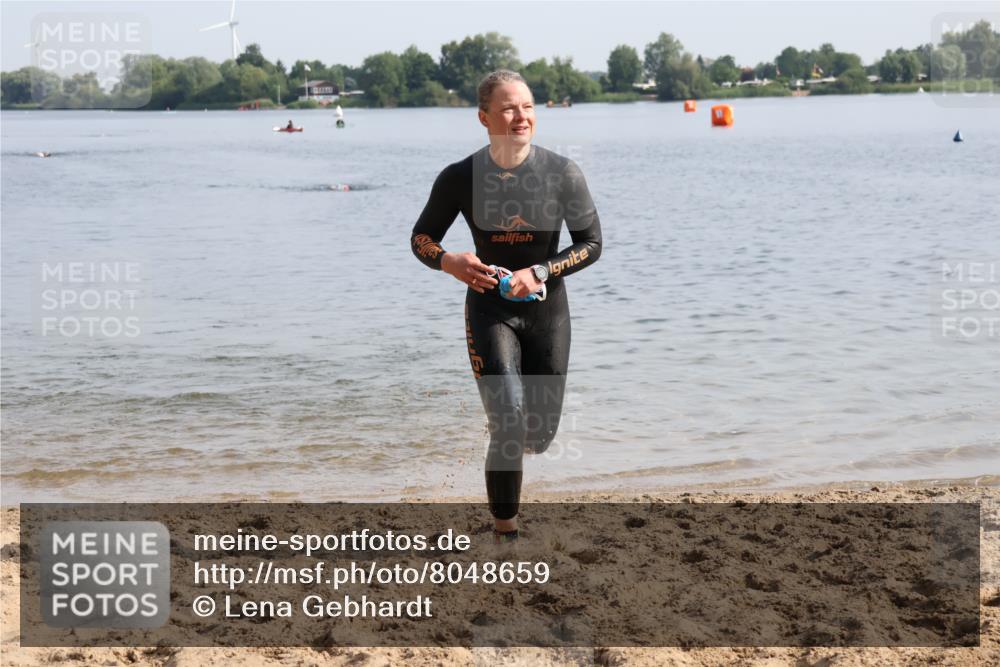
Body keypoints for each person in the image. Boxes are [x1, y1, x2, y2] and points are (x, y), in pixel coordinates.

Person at [410, 70, 602, 544]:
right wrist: (449, 261)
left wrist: (540, 272)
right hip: (488, 309)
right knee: (509, 419)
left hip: (547, 312)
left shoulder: (562, 173)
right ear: (484, 117)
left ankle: (511, 444)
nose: (521, 117)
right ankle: (505, 533)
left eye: (528, 107)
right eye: (509, 108)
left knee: (538, 435)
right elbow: (421, 238)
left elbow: (592, 244)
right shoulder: (460, 177)